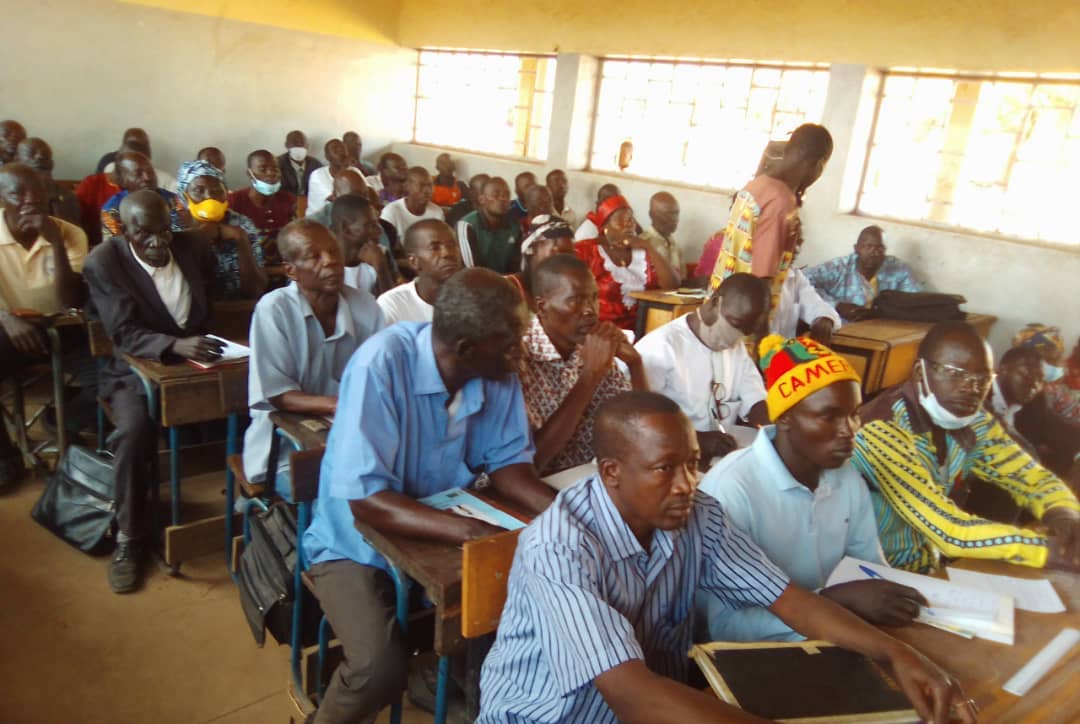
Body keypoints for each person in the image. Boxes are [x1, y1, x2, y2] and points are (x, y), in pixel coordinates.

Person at [478, 391, 976, 724]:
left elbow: (789, 600)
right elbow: (628, 692)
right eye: (664, 469)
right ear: (611, 472)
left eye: (693, 464)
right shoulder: (559, 548)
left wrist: (898, 654)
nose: (686, 485)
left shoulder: (697, 514)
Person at [302, 268, 556, 724]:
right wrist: (470, 532)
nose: (521, 354)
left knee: (515, 615)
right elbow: (366, 501)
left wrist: (564, 514)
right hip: (353, 545)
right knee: (377, 669)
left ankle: (443, 685)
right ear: (465, 350)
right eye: (512, 344)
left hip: (433, 536)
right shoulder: (381, 365)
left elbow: (508, 464)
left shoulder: (493, 371)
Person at [698, 335, 925, 642]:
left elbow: (869, 567)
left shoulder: (845, 477)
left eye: (854, 413)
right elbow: (724, 626)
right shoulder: (732, 490)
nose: (850, 430)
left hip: (835, 637)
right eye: (829, 416)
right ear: (786, 417)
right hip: (759, 659)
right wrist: (834, 601)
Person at [852, 320, 1080, 573]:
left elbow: (1029, 476)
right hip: (875, 575)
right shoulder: (881, 430)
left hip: (931, 568)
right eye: (954, 373)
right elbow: (951, 531)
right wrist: (1046, 551)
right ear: (920, 372)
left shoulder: (972, 420)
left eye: (982, 378)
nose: (972, 388)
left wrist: (1064, 513)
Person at [83, 190, 222, 593]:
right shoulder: (105, 261)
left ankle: (251, 507)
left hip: (196, 360)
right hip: (133, 368)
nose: (159, 241)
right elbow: (122, 333)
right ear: (124, 230)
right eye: (145, 233)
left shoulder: (192, 244)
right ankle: (129, 537)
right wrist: (174, 346)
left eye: (165, 230)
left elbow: (210, 294)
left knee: (252, 401)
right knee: (133, 430)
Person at [242, 219, 384, 500]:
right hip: (284, 449)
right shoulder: (274, 310)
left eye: (334, 251)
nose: (330, 261)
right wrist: (340, 404)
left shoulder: (365, 305)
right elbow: (279, 395)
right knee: (343, 501)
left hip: (351, 440)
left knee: (389, 491)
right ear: (290, 270)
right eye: (314, 256)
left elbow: (381, 376)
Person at [0, 163, 93, 487]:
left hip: (64, 327)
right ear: (2, 198)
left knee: (115, 379)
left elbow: (71, 300)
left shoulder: (69, 233)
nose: (29, 200)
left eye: (36, 193)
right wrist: (6, 318)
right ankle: (5, 457)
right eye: (18, 193)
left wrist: (55, 243)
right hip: (8, 328)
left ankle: (60, 417)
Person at [520, 255, 646, 474]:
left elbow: (637, 427)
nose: (590, 310)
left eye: (594, 298)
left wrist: (635, 364)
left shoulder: (590, 345)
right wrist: (589, 377)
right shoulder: (519, 355)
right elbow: (532, 462)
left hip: (590, 475)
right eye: (575, 300)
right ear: (542, 306)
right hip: (540, 484)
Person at [636, 273, 770, 464]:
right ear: (715, 303)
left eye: (746, 332)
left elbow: (756, 399)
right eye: (735, 324)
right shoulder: (662, 347)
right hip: (671, 456)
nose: (736, 337)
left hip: (719, 457)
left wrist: (775, 432)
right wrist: (695, 438)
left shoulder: (736, 349)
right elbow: (638, 420)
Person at [707, 124, 834, 318]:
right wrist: (761, 339)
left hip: (719, 310)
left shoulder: (757, 185)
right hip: (741, 320)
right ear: (818, 166)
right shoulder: (780, 201)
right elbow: (761, 279)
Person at [574, 194, 679, 331]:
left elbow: (673, 285)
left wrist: (648, 247)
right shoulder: (588, 252)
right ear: (605, 227)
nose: (628, 225)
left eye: (630, 219)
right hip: (600, 332)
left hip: (642, 332)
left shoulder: (642, 254)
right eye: (620, 221)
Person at [176, 160, 267, 300]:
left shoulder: (242, 224)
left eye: (217, 191)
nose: (209, 197)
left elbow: (256, 290)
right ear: (184, 195)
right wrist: (197, 238)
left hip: (237, 311)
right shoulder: (171, 226)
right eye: (199, 191)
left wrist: (241, 238)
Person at [992, 343, 1080, 483]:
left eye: (1040, 379)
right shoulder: (979, 398)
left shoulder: (1035, 401)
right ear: (1002, 369)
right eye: (1027, 374)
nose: (1034, 384)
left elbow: (1065, 431)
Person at [805, 225, 923, 321]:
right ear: (856, 248)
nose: (874, 253)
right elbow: (803, 282)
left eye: (879, 248)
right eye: (868, 247)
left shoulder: (899, 270)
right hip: (840, 331)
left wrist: (883, 312)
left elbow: (915, 302)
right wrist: (837, 305)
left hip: (883, 332)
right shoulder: (839, 268)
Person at [377, 219, 461, 324]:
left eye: (451, 245)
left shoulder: (472, 295)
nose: (447, 253)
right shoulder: (393, 304)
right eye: (434, 248)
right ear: (413, 261)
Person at [100, 151, 189, 242]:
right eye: (138, 174)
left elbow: (184, 239)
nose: (147, 178)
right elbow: (115, 247)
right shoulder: (112, 211)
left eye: (150, 172)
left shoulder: (174, 201)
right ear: (123, 180)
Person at [227, 149, 297, 264]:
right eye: (263, 169)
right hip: (249, 270)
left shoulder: (288, 200)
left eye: (275, 169)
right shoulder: (234, 201)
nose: (271, 173)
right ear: (250, 174)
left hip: (285, 268)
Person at [330, 194, 396, 296]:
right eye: (371, 225)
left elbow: (390, 307)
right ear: (346, 228)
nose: (380, 230)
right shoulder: (324, 264)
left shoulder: (379, 255)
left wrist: (381, 267)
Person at [1013, 323, 1080, 423]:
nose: (1054, 366)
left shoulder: (1055, 391)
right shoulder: (1010, 388)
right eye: (1048, 360)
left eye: (1056, 360)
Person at [457, 177, 522, 273]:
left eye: (506, 195)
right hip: (475, 282)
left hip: (506, 282)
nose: (503, 198)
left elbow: (516, 264)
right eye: (496, 195)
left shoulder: (515, 225)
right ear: (482, 199)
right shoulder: (467, 225)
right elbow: (471, 269)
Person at [506, 214, 575, 303]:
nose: (563, 262)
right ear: (533, 249)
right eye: (557, 254)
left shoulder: (562, 292)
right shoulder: (504, 288)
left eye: (569, 256)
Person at [16, 137, 80, 226]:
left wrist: (53, 197)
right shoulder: (8, 194)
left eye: (45, 154)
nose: (39, 156)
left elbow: (71, 234)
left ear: (52, 164)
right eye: (30, 153)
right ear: (17, 161)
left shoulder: (67, 195)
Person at [97, 128, 178, 192]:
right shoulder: (109, 166)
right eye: (133, 146)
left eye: (143, 147)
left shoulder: (166, 180)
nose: (146, 177)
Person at [379, 166, 444, 239]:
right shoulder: (391, 212)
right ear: (407, 186)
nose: (427, 191)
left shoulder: (437, 213)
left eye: (430, 185)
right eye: (421, 185)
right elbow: (385, 245)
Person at [307, 139, 365, 218]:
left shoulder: (355, 171)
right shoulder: (317, 175)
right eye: (335, 150)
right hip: (320, 220)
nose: (341, 152)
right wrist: (344, 167)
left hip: (346, 217)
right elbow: (337, 200)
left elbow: (369, 192)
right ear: (327, 157)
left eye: (343, 149)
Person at [640, 192, 683, 284]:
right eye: (669, 214)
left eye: (677, 213)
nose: (675, 219)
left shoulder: (675, 246)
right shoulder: (643, 244)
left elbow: (682, 282)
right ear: (652, 215)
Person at [277, 130, 323, 198]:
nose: (298, 145)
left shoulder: (316, 164)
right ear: (286, 145)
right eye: (294, 142)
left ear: (307, 146)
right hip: (286, 203)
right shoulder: (277, 164)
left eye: (302, 143)